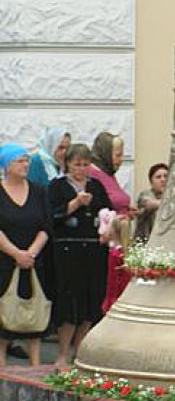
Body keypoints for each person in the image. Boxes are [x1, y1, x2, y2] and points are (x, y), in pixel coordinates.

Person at [48, 143, 112, 368]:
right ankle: (63, 351)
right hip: (67, 250)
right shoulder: (57, 186)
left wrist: (108, 229)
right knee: (69, 299)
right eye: (77, 164)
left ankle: (80, 348)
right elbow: (51, 216)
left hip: (94, 250)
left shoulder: (97, 186)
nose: (82, 169)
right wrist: (75, 203)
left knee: (91, 298)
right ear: (68, 164)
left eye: (86, 165)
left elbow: (108, 212)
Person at [0, 143, 53, 366]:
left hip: (33, 262)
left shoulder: (39, 191)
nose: (25, 164)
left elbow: (46, 225)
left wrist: (30, 253)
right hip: (4, 262)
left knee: (35, 315)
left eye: (26, 160)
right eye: (20, 160)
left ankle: (36, 367)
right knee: (4, 317)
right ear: (6, 165)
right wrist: (15, 254)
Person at [88, 132, 135, 217]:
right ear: (106, 154)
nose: (121, 160)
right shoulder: (91, 174)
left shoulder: (109, 173)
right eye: (118, 155)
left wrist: (127, 211)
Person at [100, 208, 130, 314]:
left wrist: (109, 301)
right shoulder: (126, 252)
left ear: (113, 232)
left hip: (116, 295)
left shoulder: (114, 254)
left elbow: (112, 279)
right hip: (125, 294)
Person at [133, 163, 168, 243]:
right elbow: (151, 204)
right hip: (145, 244)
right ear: (151, 182)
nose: (163, 180)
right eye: (158, 177)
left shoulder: (174, 196)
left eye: (166, 176)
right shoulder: (145, 195)